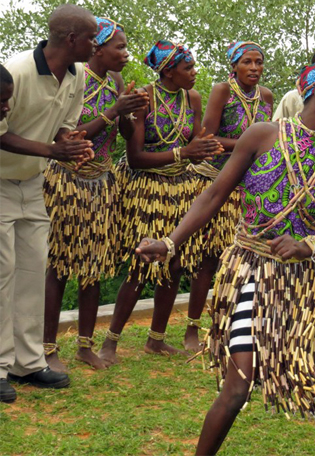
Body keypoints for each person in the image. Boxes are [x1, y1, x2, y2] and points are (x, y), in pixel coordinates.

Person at [136, 57, 315, 455]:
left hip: (312, 280)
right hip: (253, 272)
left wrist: (310, 246)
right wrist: (170, 241)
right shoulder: (263, 135)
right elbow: (214, 195)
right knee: (238, 384)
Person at [97, 40, 222, 366]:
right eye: (188, 68)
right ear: (168, 71)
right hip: (147, 189)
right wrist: (185, 153)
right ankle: (110, 342)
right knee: (142, 265)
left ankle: (156, 339)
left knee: (175, 263)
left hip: (179, 188)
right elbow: (136, 157)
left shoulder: (191, 98)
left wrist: (206, 146)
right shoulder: (145, 99)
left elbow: (194, 139)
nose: (195, 73)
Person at [0, 4, 96, 403]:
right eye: (92, 37)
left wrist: (71, 145)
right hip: (1, 182)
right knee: (2, 275)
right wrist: (51, 151)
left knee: (31, 270)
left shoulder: (77, 75)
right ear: (71, 38)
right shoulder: (17, 71)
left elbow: (64, 128)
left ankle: (28, 362)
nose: (96, 43)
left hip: (32, 181)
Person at [42, 17, 149, 372]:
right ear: (97, 48)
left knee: (94, 267)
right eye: (119, 47)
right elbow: (68, 137)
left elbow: (122, 131)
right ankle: (48, 347)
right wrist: (112, 110)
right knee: (58, 266)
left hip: (101, 183)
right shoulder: (77, 79)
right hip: (67, 182)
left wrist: (132, 112)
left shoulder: (115, 80)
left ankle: (85, 346)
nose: (125, 53)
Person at [184, 41, 273, 352]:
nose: (254, 68)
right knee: (208, 260)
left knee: (242, 261)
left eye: (259, 62)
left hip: (249, 189)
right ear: (234, 66)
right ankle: (192, 330)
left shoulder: (267, 97)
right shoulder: (223, 90)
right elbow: (207, 138)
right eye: (247, 62)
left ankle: (234, 327)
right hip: (219, 182)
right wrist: (248, 145)